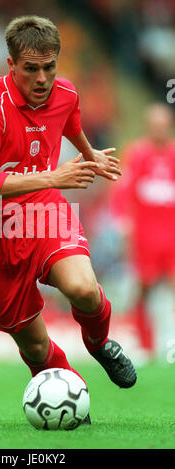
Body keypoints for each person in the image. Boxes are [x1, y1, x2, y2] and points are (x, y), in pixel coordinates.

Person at [0, 15, 137, 414]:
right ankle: (76, 402)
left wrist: (88, 153)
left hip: (43, 210)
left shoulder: (66, 93)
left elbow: (69, 119)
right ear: (11, 65)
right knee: (35, 344)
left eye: (49, 67)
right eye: (31, 69)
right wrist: (53, 174)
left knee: (85, 290)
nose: (42, 78)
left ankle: (98, 343)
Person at [111, 103, 175, 360]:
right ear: (149, 126)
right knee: (144, 288)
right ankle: (144, 345)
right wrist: (122, 222)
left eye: (164, 124)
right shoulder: (138, 154)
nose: (159, 129)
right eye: (155, 125)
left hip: (172, 235)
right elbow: (123, 191)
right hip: (146, 237)